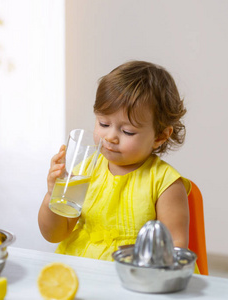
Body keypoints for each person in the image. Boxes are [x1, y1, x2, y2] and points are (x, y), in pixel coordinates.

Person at [38, 60, 191, 262]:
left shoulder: (165, 183)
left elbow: (174, 248)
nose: (110, 137)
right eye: (103, 123)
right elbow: (53, 235)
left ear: (160, 137)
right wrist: (52, 195)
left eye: (127, 131)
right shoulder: (85, 170)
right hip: (80, 268)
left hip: (133, 275)